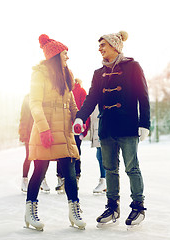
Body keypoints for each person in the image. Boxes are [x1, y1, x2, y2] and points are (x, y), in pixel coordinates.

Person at [72, 31, 150, 227]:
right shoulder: (99, 74)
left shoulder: (133, 67)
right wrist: (80, 116)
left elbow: (143, 96)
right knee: (110, 169)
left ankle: (138, 207)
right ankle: (112, 206)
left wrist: (144, 123)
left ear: (115, 46)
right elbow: (91, 98)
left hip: (128, 126)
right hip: (107, 128)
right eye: (99, 46)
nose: (100, 49)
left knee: (132, 167)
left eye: (103, 45)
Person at [25, 34, 86, 231]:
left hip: (64, 131)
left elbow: (72, 103)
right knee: (39, 171)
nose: (68, 57)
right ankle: (30, 212)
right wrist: (44, 129)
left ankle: (74, 211)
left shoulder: (67, 74)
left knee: (69, 173)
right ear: (56, 55)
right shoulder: (40, 74)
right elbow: (34, 103)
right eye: (65, 53)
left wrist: (78, 119)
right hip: (47, 130)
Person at [55, 78, 90, 193]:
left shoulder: (81, 91)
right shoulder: (61, 89)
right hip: (63, 128)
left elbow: (84, 111)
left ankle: (75, 177)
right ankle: (61, 178)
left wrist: (83, 130)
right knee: (60, 152)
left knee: (75, 153)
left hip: (76, 129)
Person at [19, 94, 50, 193]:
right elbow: (23, 116)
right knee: (29, 156)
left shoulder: (44, 96)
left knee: (41, 157)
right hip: (29, 132)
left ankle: (42, 179)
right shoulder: (28, 97)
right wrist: (23, 133)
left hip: (40, 130)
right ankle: (24, 180)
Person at [90, 105, 106, 193]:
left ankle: (104, 181)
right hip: (96, 127)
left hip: (103, 126)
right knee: (99, 155)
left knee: (102, 155)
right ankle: (104, 181)